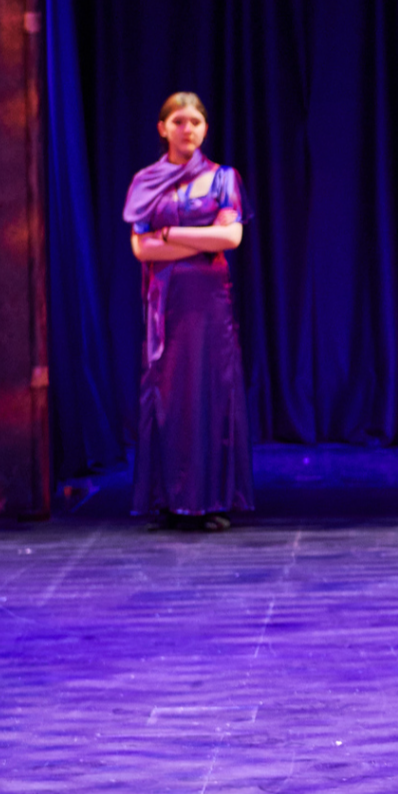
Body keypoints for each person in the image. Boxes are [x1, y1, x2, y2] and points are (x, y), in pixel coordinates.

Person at [124, 92, 255, 531]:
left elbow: (231, 239)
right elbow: (142, 247)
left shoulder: (222, 179)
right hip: (167, 305)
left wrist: (174, 234)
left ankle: (212, 500)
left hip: (210, 305)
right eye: (179, 121)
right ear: (163, 128)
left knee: (210, 391)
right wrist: (201, 237)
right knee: (168, 393)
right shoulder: (146, 181)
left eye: (196, 121)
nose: (188, 129)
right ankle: (166, 500)